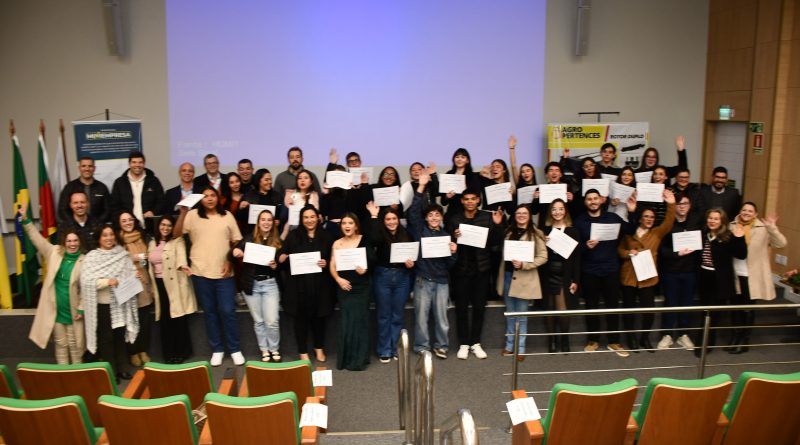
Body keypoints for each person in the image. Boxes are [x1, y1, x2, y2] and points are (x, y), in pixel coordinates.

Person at [174, 185, 245, 366]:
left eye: (213, 195)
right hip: (200, 272)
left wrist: (230, 259)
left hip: (224, 274)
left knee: (228, 311)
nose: (209, 198)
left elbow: (238, 241)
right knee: (210, 313)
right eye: (205, 196)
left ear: (218, 197)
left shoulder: (227, 215)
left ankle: (235, 349)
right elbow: (176, 234)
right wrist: (182, 213)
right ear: (200, 199)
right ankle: (217, 349)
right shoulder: (192, 216)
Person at [574, 189, 638, 357]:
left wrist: (632, 212)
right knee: (591, 307)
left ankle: (614, 341)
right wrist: (585, 246)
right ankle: (593, 340)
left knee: (612, 306)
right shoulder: (579, 221)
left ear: (602, 200)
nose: (593, 201)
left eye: (595, 198)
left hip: (611, 269)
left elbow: (631, 230)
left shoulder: (613, 218)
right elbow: (575, 249)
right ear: (585, 202)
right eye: (589, 199)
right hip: (589, 270)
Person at [21, 203, 85, 364]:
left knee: (75, 345)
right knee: (61, 345)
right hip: (55, 311)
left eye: (75, 241)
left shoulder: (84, 261)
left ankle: (77, 374)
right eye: (69, 241)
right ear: (64, 242)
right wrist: (26, 221)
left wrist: (81, 308)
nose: (72, 244)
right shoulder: (54, 252)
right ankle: (63, 374)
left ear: (79, 242)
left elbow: (86, 289)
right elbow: (38, 240)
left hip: (74, 311)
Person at [446, 188, 504, 360]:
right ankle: (464, 343)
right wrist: (454, 237)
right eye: (467, 199)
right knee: (461, 308)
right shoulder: (455, 219)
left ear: (478, 200)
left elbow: (495, 243)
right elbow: (448, 244)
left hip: (481, 269)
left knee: (479, 308)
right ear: (462, 201)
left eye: (473, 198)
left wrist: (497, 225)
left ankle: (476, 342)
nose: (470, 202)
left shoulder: (487, 217)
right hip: (461, 270)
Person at [618, 190, 676, 352]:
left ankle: (645, 338)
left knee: (649, 312)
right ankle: (631, 339)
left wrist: (671, 204)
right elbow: (619, 251)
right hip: (629, 277)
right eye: (646, 216)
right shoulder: (629, 233)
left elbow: (669, 222)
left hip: (647, 278)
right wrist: (628, 253)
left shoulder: (657, 233)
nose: (649, 219)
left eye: (652, 217)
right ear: (640, 218)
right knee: (629, 311)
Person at [407, 172, 457, 358]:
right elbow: (413, 212)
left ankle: (441, 346)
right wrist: (421, 187)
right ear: (426, 218)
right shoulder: (420, 230)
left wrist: (453, 252)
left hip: (442, 281)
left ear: (441, 218)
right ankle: (422, 347)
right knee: (421, 318)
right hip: (423, 280)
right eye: (430, 215)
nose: (434, 217)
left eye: (437, 215)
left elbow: (450, 264)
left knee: (442, 318)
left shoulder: (446, 236)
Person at [80, 224, 139, 381]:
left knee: (120, 336)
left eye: (111, 234)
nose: (109, 238)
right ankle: (110, 372)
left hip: (121, 303)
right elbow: (86, 281)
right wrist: (107, 281)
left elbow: (130, 272)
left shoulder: (122, 254)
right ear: (99, 238)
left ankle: (122, 368)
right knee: (106, 339)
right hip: (103, 304)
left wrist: (134, 276)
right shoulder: (91, 257)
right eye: (105, 235)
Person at [728, 202, 787, 353]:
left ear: (755, 214)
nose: (746, 213)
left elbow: (781, 243)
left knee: (748, 309)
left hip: (751, 276)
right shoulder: (731, 226)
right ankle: (735, 336)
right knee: (734, 308)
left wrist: (772, 227)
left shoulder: (763, 228)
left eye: (750, 211)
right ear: (740, 211)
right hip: (734, 274)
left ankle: (744, 339)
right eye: (744, 210)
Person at [278, 205, 334, 362]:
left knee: (319, 319)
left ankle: (319, 348)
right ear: (301, 219)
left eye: (312, 217)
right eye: (306, 217)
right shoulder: (293, 235)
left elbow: (334, 258)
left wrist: (326, 262)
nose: (309, 220)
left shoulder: (326, 236)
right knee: (300, 320)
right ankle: (302, 351)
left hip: (320, 286)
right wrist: (281, 257)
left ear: (318, 218)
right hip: (299, 287)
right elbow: (282, 254)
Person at [694, 208, 747, 357]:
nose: (712, 221)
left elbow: (741, 255)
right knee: (704, 313)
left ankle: (706, 345)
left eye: (716, 219)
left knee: (714, 315)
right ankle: (701, 342)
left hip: (720, 281)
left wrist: (740, 238)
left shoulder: (728, 237)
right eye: (710, 218)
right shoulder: (703, 234)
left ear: (722, 221)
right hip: (704, 278)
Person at [233, 209, 283, 362]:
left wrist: (276, 266)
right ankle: (264, 349)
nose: (266, 222)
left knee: (272, 321)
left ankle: (274, 348)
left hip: (270, 284)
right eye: (263, 219)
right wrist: (236, 252)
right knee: (259, 321)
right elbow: (233, 252)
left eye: (269, 220)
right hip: (252, 285)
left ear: (273, 223)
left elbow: (282, 266)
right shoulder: (249, 239)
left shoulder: (278, 241)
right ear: (258, 222)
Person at [367, 203, 414, 363]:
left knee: (398, 315)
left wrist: (411, 263)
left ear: (398, 220)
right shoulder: (379, 234)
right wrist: (374, 216)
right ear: (383, 221)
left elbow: (413, 256)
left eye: (394, 218)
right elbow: (372, 239)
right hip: (383, 276)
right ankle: (384, 350)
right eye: (388, 219)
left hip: (402, 277)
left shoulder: (406, 234)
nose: (391, 222)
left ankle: (395, 348)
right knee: (384, 315)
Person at [498, 204, 547, 359]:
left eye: (524, 213)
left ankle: (520, 348)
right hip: (508, 276)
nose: (521, 215)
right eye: (518, 213)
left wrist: (525, 264)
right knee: (510, 314)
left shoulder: (536, 234)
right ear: (514, 216)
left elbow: (543, 256)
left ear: (529, 215)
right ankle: (509, 346)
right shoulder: (508, 232)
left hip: (525, 279)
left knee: (522, 316)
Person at [148, 215, 195, 363]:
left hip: (174, 285)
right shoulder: (152, 243)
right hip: (159, 285)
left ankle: (181, 352)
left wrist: (183, 266)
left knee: (177, 319)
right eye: (163, 224)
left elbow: (181, 257)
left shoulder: (177, 241)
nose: (166, 228)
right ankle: (168, 354)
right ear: (158, 226)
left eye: (169, 225)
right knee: (164, 320)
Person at [658, 192, 702, 350]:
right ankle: (667, 335)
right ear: (674, 206)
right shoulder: (668, 224)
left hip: (690, 271)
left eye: (685, 204)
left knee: (686, 303)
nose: (682, 207)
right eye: (679, 204)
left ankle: (683, 334)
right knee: (670, 303)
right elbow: (661, 250)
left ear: (689, 206)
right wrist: (677, 253)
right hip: (671, 271)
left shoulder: (695, 222)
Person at [330, 213, 374, 370]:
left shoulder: (365, 240)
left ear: (356, 225)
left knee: (360, 322)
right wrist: (338, 280)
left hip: (362, 287)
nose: (347, 226)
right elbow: (332, 265)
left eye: (350, 223)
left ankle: (360, 359)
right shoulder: (337, 243)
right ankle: (346, 359)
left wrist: (365, 269)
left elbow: (372, 261)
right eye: (344, 223)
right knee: (347, 322)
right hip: (344, 287)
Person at [116, 211, 156, 367]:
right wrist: (139, 257)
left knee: (144, 321)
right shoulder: (117, 240)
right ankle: (133, 352)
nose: (127, 223)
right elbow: (119, 260)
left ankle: (143, 350)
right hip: (128, 286)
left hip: (144, 284)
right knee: (130, 321)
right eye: (124, 221)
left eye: (130, 220)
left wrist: (141, 260)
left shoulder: (142, 237)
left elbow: (148, 260)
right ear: (119, 224)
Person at [540, 199, 581, 353]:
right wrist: (542, 242)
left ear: (565, 211)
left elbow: (576, 259)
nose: (557, 212)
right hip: (547, 274)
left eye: (561, 209)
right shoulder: (544, 230)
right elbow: (537, 252)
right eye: (554, 209)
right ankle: (552, 341)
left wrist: (575, 280)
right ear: (550, 212)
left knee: (562, 310)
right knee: (549, 309)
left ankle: (564, 339)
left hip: (564, 275)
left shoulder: (573, 231)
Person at [110, 151, 165, 230]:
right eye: (134, 162)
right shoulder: (120, 183)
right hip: (128, 229)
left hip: (150, 227)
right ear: (129, 164)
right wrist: (124, 218)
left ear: (144, 164)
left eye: (140, 162)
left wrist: (153, 212)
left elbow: (161, 201)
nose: (137, 165)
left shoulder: (154, 181)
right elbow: (114, 206)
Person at [57, 156, 110, 224]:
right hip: (73, 227)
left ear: (94, 168)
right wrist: (75, 223)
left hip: (97, 227)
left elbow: (107, 210)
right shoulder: (69, 187)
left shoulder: (102, 187)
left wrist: (96, 223)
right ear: (79, 168)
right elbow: (62, 209)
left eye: (90, 166)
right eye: (83, 166)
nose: (87, 169)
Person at [531, 162, 580, 229]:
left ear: (561, 174)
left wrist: (571, 201)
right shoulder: (540, 190)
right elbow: (534, 211)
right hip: (545, 226)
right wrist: (535, 199)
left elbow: (573, 211)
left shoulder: (567, 189)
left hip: (563, 226)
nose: (554, 173)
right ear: (547, 174)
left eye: (557, 170)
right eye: (551, 170)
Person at [441, 148, 482, 223]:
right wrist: (447, 196)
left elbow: (478, 202)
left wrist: (467, 190)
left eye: (463, 157)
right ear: (453, 159)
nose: (459, 159)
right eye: (457, 157)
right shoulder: (448, 174)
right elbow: (443, 202)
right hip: (452, 214)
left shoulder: (474, 177)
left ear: (467, 160)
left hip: (469, 215)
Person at [240, 169, 283, 234]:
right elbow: (241, 218)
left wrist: (279, 221)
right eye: (266, 180)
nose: (270, 182)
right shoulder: (249, 195)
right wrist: (241, 208)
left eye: (270, 179)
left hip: (272, 234)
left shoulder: (277, 196)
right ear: (259, 181)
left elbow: (281, 215)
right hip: (252, 233)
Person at [282, 169, 321, 238]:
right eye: (299, 178)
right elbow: (284, 215)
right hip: (294, 226)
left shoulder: (314, 195)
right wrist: (289, 205)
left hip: (310, 225)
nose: (302, 180)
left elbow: (316, 211)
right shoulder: (290, 194)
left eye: (306, 178)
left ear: (311, 182)